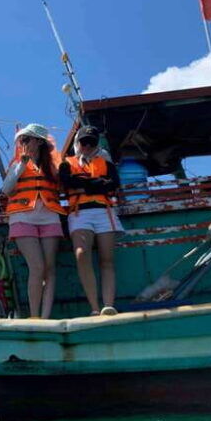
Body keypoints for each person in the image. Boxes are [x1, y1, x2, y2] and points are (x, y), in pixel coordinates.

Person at [1, 123, 66, 319]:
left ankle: (45, 316)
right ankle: (34, 315)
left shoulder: (52, 167)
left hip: (49, 217)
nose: (22, 143)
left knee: (50, 269)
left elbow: (62, 186)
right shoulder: (17, 164)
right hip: (22, 218)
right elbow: (6, 189)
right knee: (37, 267)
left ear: (38, 142)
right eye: (21, 140)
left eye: (26, 139)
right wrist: (22, 163)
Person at [59, 125, 123, 316]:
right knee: (81, 254)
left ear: (96, 145)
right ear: (77, 143)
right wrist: (96, 185)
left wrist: (85, 184)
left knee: (107, 259)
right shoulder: (66, 163)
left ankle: (108, 305)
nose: (86, 146)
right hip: (79, 213)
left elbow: (114, 183)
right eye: (83, 142)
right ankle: (94, 306)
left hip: (104, 212)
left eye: (91, 142)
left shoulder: (106, 163)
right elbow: (67, 181)